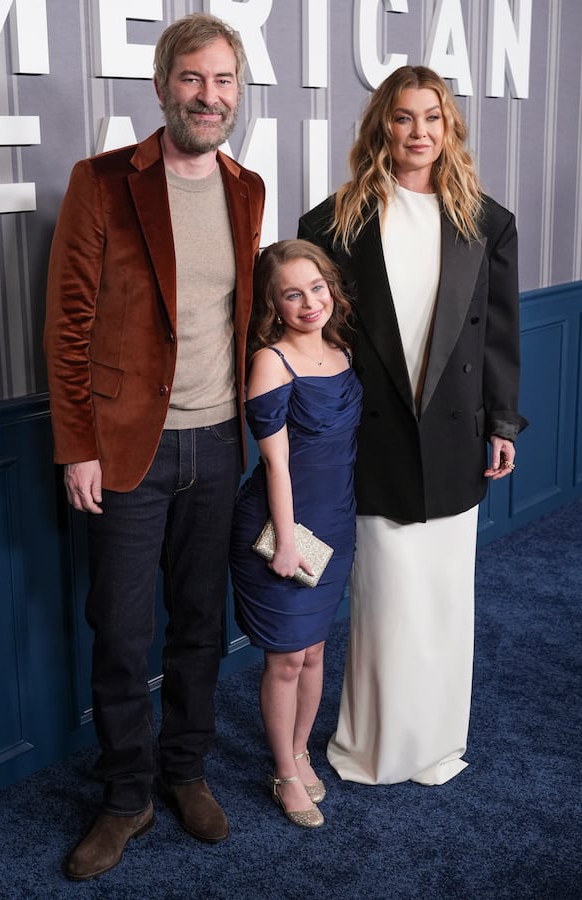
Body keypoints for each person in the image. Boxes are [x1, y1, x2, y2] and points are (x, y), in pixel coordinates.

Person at [44, 13, 265, 880]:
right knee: (123, 634)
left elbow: (239, 318)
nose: (207, 97)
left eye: (222, 82)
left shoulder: (246, 188)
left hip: (219, 445)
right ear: (162, 85)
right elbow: (67, 326)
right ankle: (127, 795)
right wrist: (78, 447)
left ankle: (186, 772)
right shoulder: (101, 182)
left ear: (236, 93)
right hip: (126, 453)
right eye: (192, 79)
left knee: (201, 628)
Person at [298, 65, 528, 787]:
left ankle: (434, 742)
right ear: (382, 128)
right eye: (403, 118)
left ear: (449, 127)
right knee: (387, 599)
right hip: (374, 435)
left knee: (444, 597)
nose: (419, 132)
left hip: (458, 432)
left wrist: (503, 424)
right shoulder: (332, 222)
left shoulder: (486, 222)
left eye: (432, 118)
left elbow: (496, 335)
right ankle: (370, 744)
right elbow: (314, 334)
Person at [229, 239, 362, 826]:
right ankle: (283, 770)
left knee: (313, 652)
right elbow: (276, 467)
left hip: (335, 521)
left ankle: (301, 750)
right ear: (274, 305)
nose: (310, 302)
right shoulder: (270, 362)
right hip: (280, 526)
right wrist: (285, 540)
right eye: (292, 294)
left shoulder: (342, 351)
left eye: (317, 287)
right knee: (285, 660)